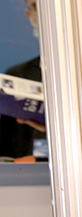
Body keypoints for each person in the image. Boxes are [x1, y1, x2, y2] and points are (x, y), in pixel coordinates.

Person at [0, 0, 46, 160]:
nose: (44, 14)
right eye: (37, 7)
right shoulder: (17, 75)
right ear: (29, 15)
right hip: (26, 173)